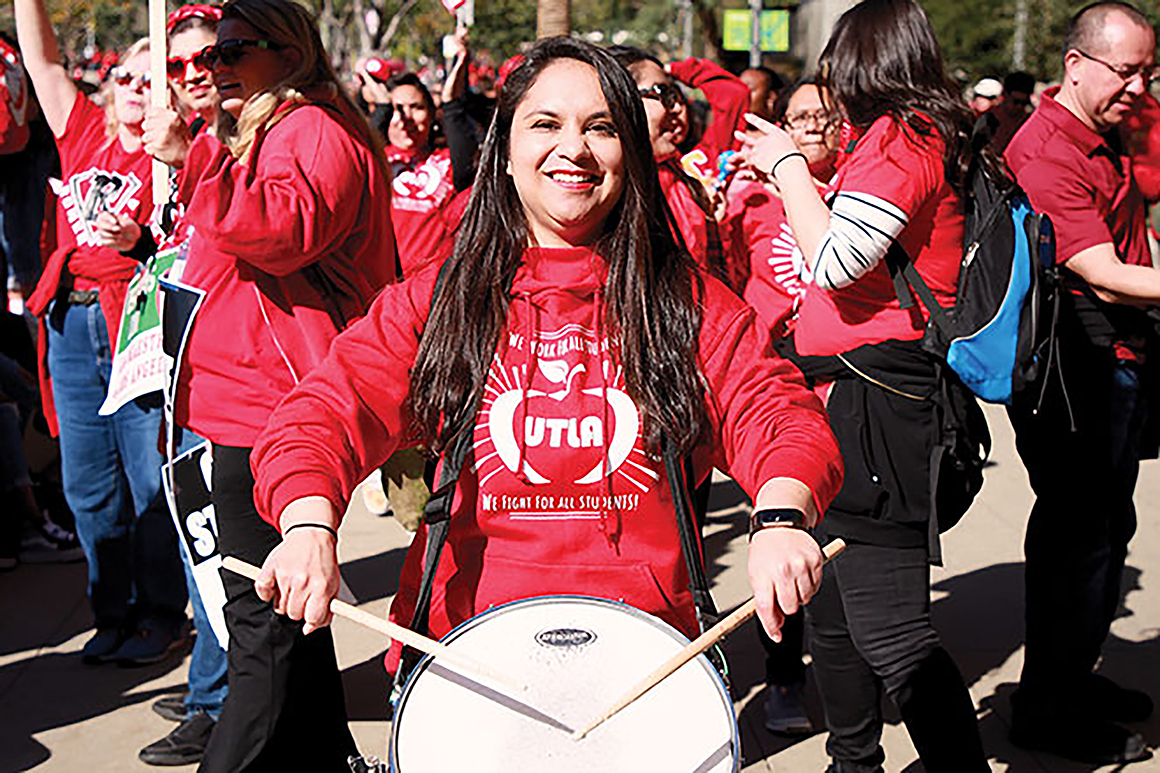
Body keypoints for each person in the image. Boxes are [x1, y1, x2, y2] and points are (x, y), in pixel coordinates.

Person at [245, 37, 843, 699]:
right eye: (545, 124)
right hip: (464, 660)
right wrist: (307, 523)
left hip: (644, 665)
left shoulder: (689, 301)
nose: (575, 149)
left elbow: (780, 414)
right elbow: (323, 413)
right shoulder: (437, 299)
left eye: (602, 127)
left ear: (632, 155)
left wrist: (781, 518)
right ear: (502, 152)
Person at [736, 0, 990, 769]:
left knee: (891, 630)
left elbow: (837, 260)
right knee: (839, 618)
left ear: (863, 63)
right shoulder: (906, 137)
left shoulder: (904, 137)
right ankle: (854, 761)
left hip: (879, 405)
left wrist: (785, 167)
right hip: (853, 396)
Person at [164, 0, 396, 768]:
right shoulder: (276, 130)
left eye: (234, 49)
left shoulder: (313, 129)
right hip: (247, 400)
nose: (215, 66)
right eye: (209, 55)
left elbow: (284, 230)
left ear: (288, 50)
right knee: (289, 614)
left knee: (256, 626)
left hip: (278, 407)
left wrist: (193, 160)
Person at [1003, 1, 1157, 763]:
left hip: (1118, 361)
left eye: (1147, 72)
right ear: (1076, 65)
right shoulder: (1048, 148)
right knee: (1077, 544)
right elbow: (1101, 273)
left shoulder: (1100, 133)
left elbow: (1128, 237)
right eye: (1125, 71)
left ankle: (1070, 678)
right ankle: (1046, 708)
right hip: (1078, 370)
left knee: (1103, 536)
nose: (1139, 86)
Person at [16, 0, 190, 665]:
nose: (136, 90)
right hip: (72, 319)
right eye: (127, 77)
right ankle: (110, 611)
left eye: (152, 81)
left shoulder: (173, 153)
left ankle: (161, 614)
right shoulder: (82, 128)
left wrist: (140, 240)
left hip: (135, 322)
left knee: (148, 478)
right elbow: (42, 60)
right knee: (88, 482)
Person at [724, 77, 840, 735]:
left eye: (823, 115)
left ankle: (846, 668)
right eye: (798, 117)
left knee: (835, 549)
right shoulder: (752, 201)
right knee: (778, 536)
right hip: (774, 389)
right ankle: (784, 677)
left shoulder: (858, 196)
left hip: (843, 393)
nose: (812, 125)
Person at [608, 46, 742, 286]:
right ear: (620, 99)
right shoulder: (603, 181)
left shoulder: (676, 170)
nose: (678, 108)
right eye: (665, 94)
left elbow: (734, 95)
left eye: (677, 96)